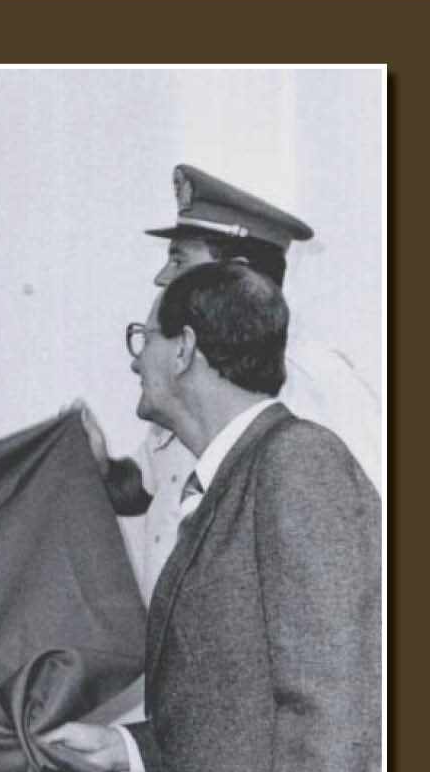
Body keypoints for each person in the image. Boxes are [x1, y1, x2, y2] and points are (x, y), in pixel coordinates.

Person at [39, 262, 380, 772]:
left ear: (185, 349)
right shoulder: (232, 478)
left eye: (145, 339)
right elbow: (244, 703)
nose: (136, 359)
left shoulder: (298, 462)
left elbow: (339, 709)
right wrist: (126, 750)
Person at [76, 164, 381, 601]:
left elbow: (360, 547)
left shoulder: (313, 380)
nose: (162, 278)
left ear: (236, 277)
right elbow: (149, 487)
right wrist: (104, 469)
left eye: (179, 260)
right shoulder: (196, 370)